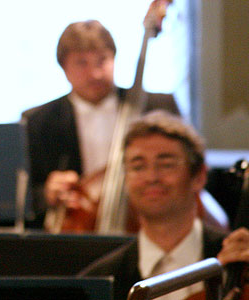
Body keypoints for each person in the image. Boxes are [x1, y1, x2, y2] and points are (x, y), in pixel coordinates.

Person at [22, 20, 180, 228]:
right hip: (79, 230)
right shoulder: (38, 121)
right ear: (64, 68)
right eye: (81, 63)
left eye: (102, 61)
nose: (95, 73)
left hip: (152, 222)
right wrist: (47, 193)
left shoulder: (157, 107)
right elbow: (24, 196)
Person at [80, 110, 249, 300]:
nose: (152, 177)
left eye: (166, 164)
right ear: (125, 180)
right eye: (138, 167)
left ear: (199, 176)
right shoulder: (97, 280)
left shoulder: (240, 261)